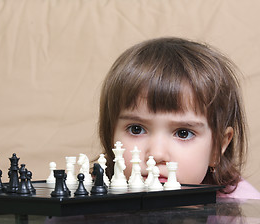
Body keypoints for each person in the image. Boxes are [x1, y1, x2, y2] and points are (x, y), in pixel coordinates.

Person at [98, 37, 260, 199]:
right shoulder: (94, 195)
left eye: (183, 133)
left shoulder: (243, 209)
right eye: (136, 129)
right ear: (110, 134)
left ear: (218, 147)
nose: (157, 154)